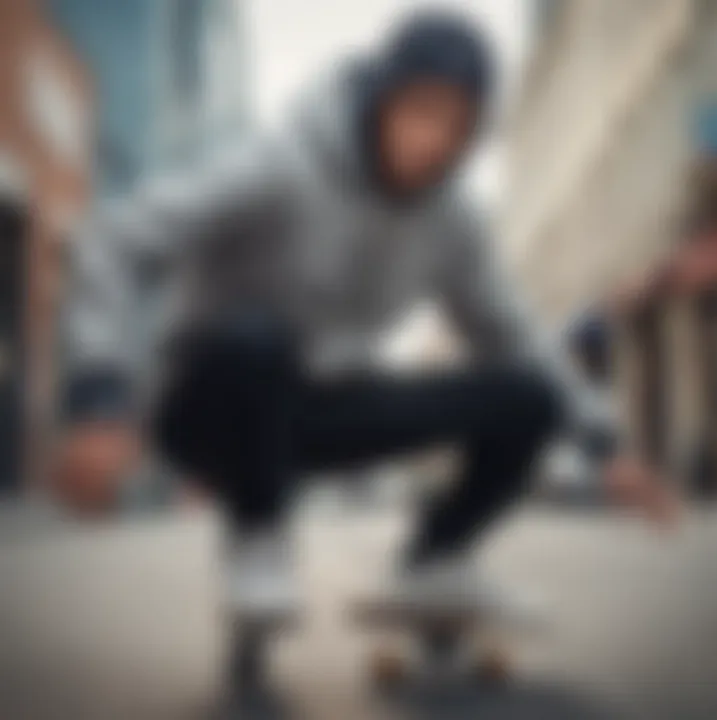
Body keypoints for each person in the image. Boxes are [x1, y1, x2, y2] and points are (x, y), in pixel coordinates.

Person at [59, 12, 678, 615]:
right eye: (422, 112)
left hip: (326, 410)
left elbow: (516, 336)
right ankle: (258, 538)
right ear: (381, 100)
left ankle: (437, 560)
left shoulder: (453, 224)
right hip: (210, 406)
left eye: (459, 128)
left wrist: (602, 446)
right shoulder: (280, 167)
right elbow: (118, 242)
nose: (436, 142)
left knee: (526, 395)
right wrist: (99, 397)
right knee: (256, 338)